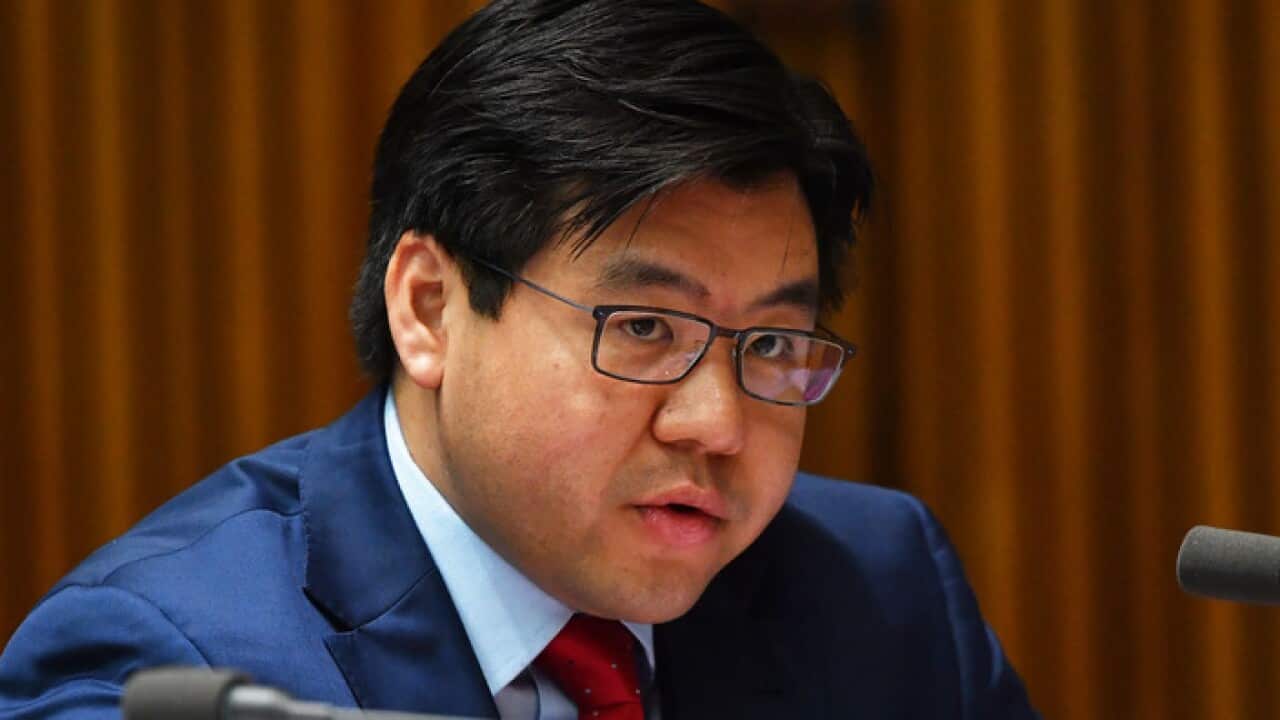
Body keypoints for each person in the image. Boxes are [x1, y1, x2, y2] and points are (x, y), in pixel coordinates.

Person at [0, 1, 1039, 717]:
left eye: (767, 343)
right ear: (430, 309)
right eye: (642, 329)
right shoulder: (176, 667)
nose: (716, 423)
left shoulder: (875, 590)